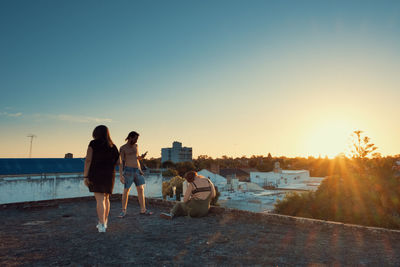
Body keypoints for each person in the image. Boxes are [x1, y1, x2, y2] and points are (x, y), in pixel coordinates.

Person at [83, 125, 120, 233]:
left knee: (99, 200)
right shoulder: (113, 146)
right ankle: (104, 222)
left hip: (96, 174)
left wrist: (85, 176)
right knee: (106, 199)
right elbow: (119, 162)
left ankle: (102, 225)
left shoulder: (93, 143)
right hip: (109, 175)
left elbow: (88, 160)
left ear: (96, 133)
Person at [118, 131, 152, 217]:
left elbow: (137, 158)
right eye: (135, 138)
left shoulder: (136, 146)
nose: (136, 141)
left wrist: (142, 157)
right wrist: (121, 175)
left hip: (137, 170)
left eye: (137, 139)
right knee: (126, 191)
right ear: (130, 137)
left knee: (141, 190)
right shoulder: (123, 148)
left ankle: (143, 210)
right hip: (128, 171)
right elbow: (121, 162)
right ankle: (123, 211)